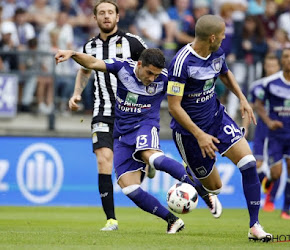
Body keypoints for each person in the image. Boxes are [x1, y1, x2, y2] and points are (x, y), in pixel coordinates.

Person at [55, 48, 221, 234]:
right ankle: (172, 220)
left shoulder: (165, 78)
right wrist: (72, 53)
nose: (152, 78)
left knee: (150, 156)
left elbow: (188, 94)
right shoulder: (122, 68)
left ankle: (203, 192)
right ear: (139, 64)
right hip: (122, 134)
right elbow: (93, 63)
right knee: (129, 187)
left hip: (146, 125)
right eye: (149, 73)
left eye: (155, 75)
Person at [167, 14, 272, 241]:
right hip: (189, 133)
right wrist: (199, 135)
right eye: (223, 35)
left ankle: (254, 225)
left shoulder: (216, 52)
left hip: (217, 118)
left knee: (249, 163)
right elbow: (174, 107)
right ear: (212, 37)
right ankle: (189, 174)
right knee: (215, 187)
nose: (225, 39)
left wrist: (242, 98)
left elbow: (224, 73)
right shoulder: (181, 62)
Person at [67, 0, 147, 231]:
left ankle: (146, 163)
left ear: (117, 17)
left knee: (134, 176)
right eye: (101, 13)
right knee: (103, 160)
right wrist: (76, 94)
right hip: (103, 112)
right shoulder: (89, 46)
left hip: (130, 113)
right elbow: (84, 70)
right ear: (95, 18)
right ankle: (111, 219)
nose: (106, 16)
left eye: (110, 12)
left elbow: (154, 65)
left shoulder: (132, 42)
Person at [255, 47, 290, 220]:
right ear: (282, 61)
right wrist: (269, 122)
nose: (289, 59)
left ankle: (286, 210)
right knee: (276, 173)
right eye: (286, 56)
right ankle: (270, 181)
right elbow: (259, 104)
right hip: (276, 136)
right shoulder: (270, 83)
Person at [247, 53, 281, 212]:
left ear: (278, 67)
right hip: (262, 128)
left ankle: (270, 201)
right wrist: (245, 127)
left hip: (280, 129)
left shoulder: (287, 84)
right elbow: (249, 107)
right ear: (264, 67)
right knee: (257, 164)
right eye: (268, 66)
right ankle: (266, 186)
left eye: (274, 66)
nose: (271, 69)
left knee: (277, 165)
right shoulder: (257, 86)